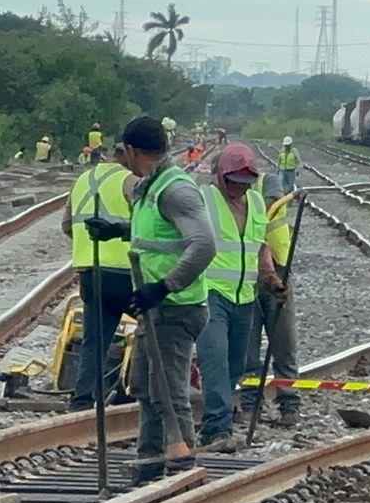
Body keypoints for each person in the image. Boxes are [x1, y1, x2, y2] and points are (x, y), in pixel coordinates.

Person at [84, 116, 215, 484]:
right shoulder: (152, 186)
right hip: (156, 306)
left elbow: (203, 244)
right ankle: (151, 461)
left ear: (134, 151)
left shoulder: (176, 189)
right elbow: (160, 233)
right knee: (144, 384)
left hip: (177, 305)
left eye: (125, 154)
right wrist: (118, 231)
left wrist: (164, 286)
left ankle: (180, 464)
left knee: (169, 390)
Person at [194, 143, 279, 451]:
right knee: (213, 357)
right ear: (220, 176)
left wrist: (270, 277)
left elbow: (260, 244)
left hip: (245, 296)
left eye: (246, 183)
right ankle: (218, 427)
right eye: (234, 182)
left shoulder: (256, 203)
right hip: (210, 292)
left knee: (237, 363)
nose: (240, 189)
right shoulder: (204, 200)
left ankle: (217, 420)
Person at [61, 142, 135, 411]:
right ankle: (139, 391)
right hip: (126, 271)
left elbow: (67, 225)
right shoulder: (130, 181)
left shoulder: (82, 179)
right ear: (128, 155)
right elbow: (149, 224)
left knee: (95, 339)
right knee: (155, 328)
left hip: (90, 272)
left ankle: (82, 400)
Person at [239, 174, 301, 428]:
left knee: (283, 344)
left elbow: (272, 203)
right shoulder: (224, 196)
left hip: (278, 272)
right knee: (248, 349)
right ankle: (250, 404)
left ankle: (289, 404)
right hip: (245, 277)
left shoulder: (268, 182)